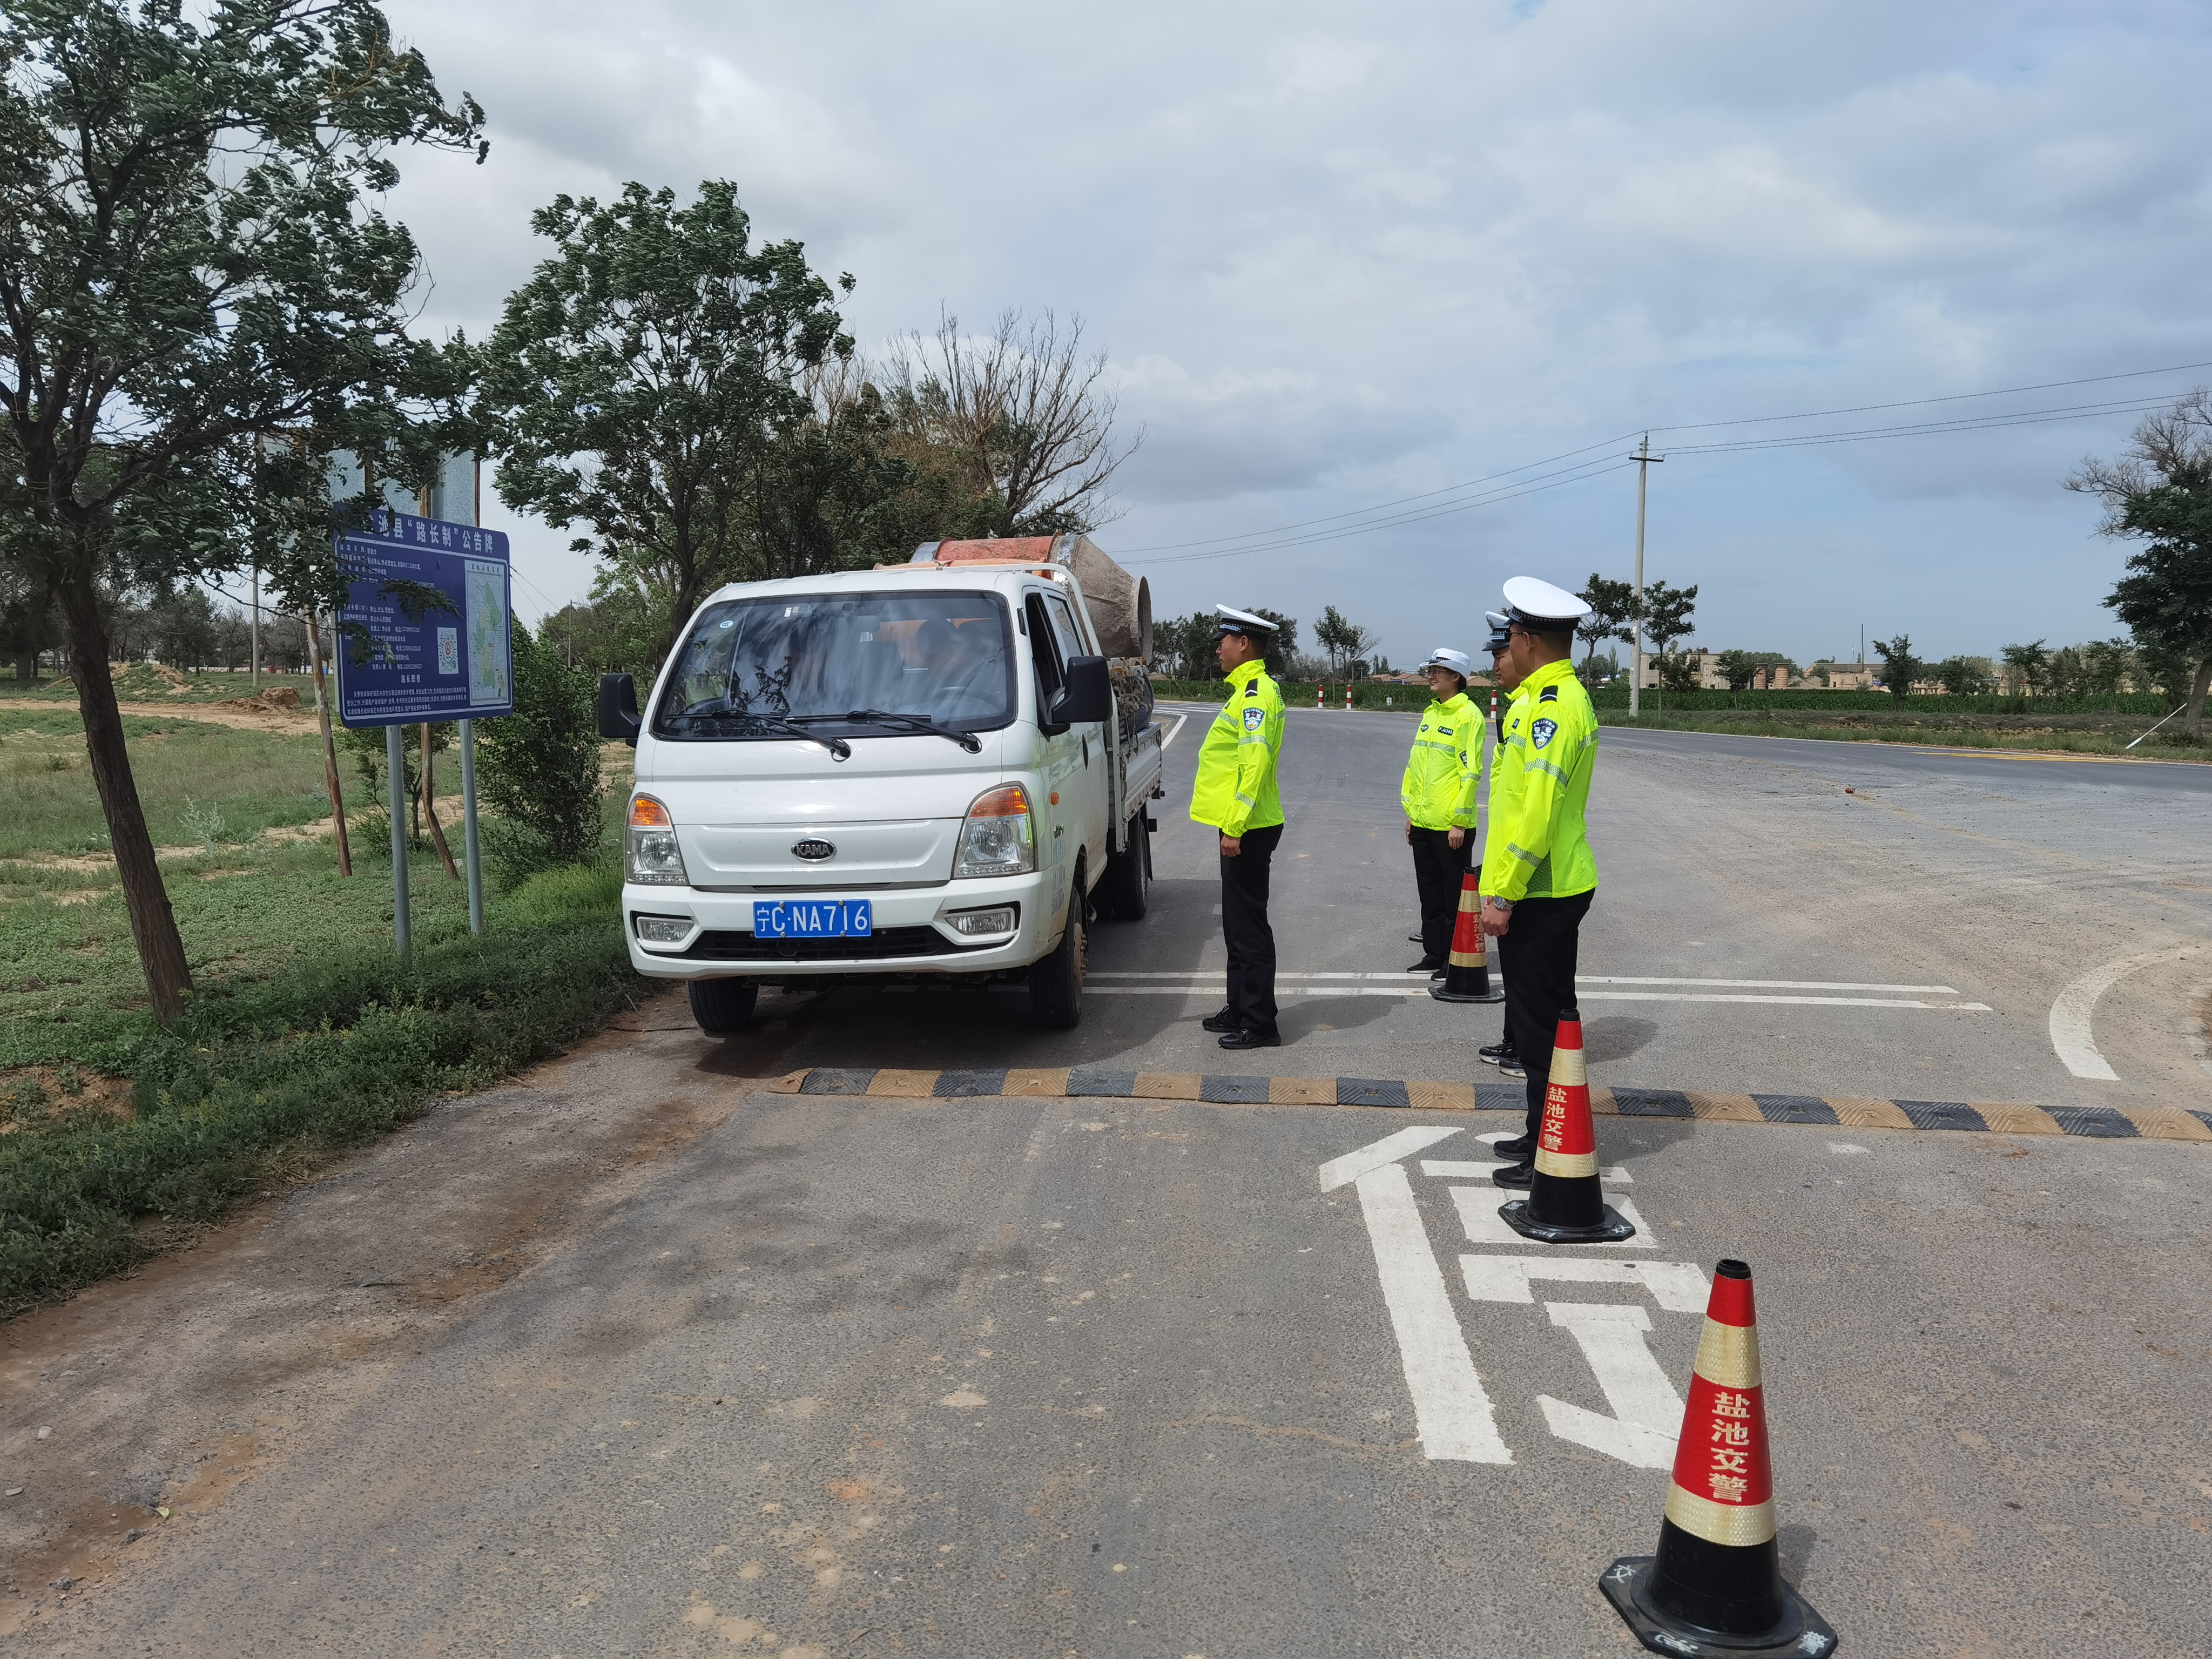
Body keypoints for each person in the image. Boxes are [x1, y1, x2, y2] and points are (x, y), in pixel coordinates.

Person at [1479, 578, 1600, 1186]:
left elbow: (1537, 814)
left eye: (1511, 637)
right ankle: (1539, 1132)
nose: (1507, 647)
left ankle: (1549, 1148)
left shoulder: (1556, 710)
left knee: (1539, 1028)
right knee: (1538, 1024)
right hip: (1540, 885)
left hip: (1542, 887)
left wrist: (1504, 893)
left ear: (1526, 639)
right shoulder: (1537, 701)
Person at [1191, 605, 1288, 1050]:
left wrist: (1234, 827)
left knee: (1249, 927)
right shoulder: (1245, 691)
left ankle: (1260, 1022)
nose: (1218, 647)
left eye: (1224, 640)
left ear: (1243, 644)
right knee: (1236, 924)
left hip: (1248, 827)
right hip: (1242, 825)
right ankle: (1239, 1005)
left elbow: (1254, 766)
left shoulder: (1255, 694)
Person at [1401, 648, 1481, 977]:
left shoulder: (1468, 715)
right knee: (1429, 893)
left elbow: (1470, 772)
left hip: (1451, 827)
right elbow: (1416, 768)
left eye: (1438, 670)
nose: (1430, 675)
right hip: (1423, 822)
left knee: (1452, 899)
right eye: (1430, 670)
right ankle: (1433, 953)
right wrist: (1411, 813)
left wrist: (1459, 823)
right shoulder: (1431, 714)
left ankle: (1453, 959)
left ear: (1456, 677)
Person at [1473, 611, 1527, 1076]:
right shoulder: (1514, 706)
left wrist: (1506, 891)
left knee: (1534, 979)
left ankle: (1527, 1049)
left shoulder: (1541, 709)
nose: (1496, 663)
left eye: (1502, 652)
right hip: (1511, 864)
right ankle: (1516, 1042)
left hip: (1528, 874)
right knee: (1519, 977)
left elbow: (1537, 811)